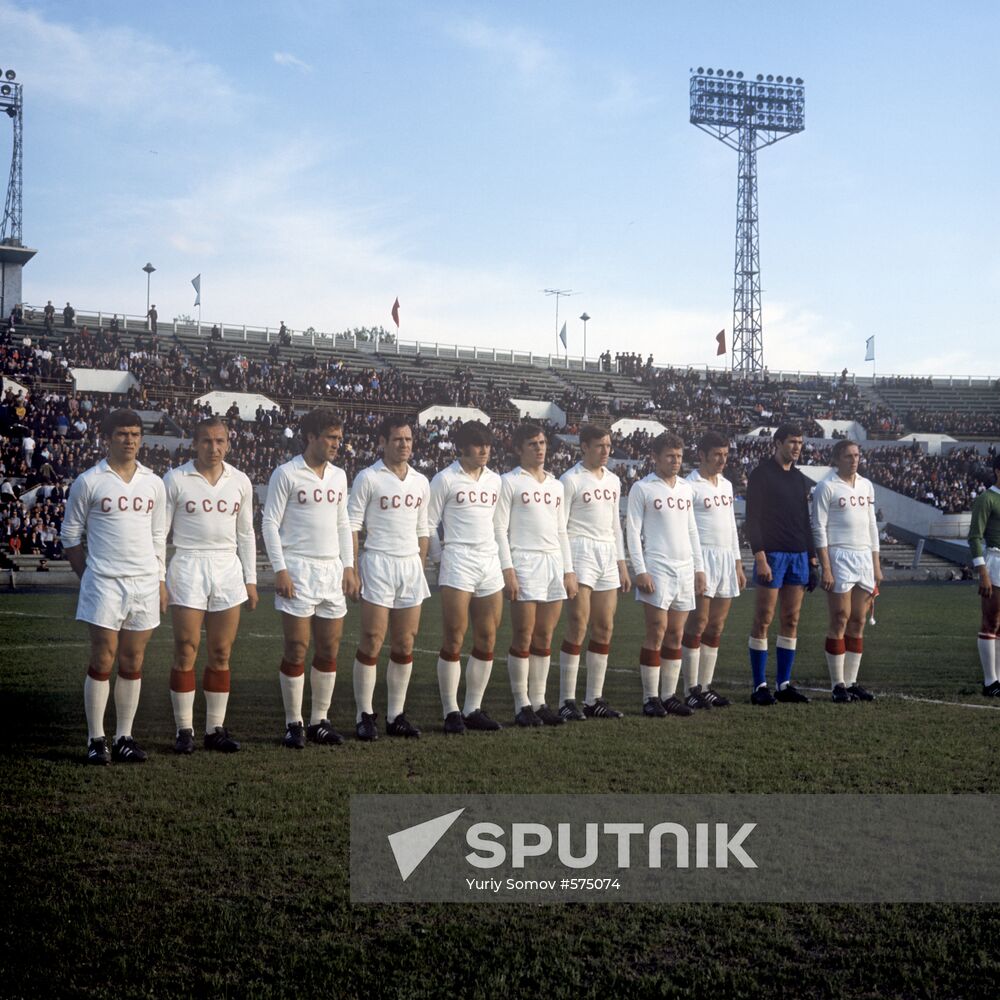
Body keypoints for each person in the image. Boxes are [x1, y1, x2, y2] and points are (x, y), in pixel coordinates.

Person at [60, 409, 167, 765]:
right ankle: (96, 739)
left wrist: (160, 578)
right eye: (122, 433)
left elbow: (158, 536)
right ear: (107, 438)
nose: (130, 440)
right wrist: (88, 575)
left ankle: (124, 736)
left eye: (135, 434)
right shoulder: (89, 481)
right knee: (103, 657)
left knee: (133, 660)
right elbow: (70, 536)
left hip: (144, 583)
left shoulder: (154, 482)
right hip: (104, 582)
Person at [261, 409, 359, 749]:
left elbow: (343, 523)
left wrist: (348, 566)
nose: (337, 444)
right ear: (311, 437)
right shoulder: (286, 474)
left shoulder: (339, 476)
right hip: (298, 569)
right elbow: (270, 523)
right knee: (297, 647)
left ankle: (320, 719)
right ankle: (294, 722)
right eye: (331, 438)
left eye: (338, 438)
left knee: (329, 647)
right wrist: (281, 569)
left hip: (331, 570)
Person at [163, 416, 258, 754]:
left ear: (229, 444)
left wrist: (251, 579)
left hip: (227, 567)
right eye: (206, 441)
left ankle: (214, 728)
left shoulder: (241, 481)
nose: (213, 448)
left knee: (221, 652)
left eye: (220, 441)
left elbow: (246, 534)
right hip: (188, 563)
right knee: (186, 648)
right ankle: (184, 729)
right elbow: (160, 534)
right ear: (194, 444)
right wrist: (160, 579)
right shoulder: (175, 479)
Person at [346, 416, 430, 740]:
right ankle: (364, 714)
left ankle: (396, 715)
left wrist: (419, 565)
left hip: (410, 566)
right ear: (383, 441)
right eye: (398, 439)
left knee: (405, 642)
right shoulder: (368, 477)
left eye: (408, 439)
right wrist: (352, 567)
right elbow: (352, 525)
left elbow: (424, 529)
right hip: (378, 562)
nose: (404, 445)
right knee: (372, 639)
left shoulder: (421, 481)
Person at [494, 423, 577, 727]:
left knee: (545, 636)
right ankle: (521, 703)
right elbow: (499, 529)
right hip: (524, 562)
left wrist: (569, 570)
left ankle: (540, 701)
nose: (540, 448)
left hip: (553, 563)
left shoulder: (556, 485)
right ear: (518, 449)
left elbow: (561, 531)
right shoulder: (509, 482)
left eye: (542, 443)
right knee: (524, 635)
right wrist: (508, 568)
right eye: (532, 444)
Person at [427, 420, 504, 734]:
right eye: (476, 444)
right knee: (455, 637)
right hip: (457, 558)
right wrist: (439, 558)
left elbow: (498, 525)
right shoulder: (445, 479)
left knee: (487, 637)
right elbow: (428, 523)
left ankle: (473, 707)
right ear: (461, 447)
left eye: (487, 444)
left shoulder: (495, 480)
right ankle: (451, 710)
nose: (483, 450)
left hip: (489, 561)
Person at [627, 433, 705, 718]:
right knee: (657, 631)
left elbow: (692, 530)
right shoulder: (642, 488)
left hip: (684, 568)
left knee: (676, 633)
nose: (676, 462)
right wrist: (640, 570)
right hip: (657, 567)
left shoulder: (686, 488)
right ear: (656, 457)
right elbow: (633, 532)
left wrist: (699, 568)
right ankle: (650, 698)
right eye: (670, 456)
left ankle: (669, 695)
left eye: (680, 456)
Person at [558, 424, 631, 720]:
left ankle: (593, 699)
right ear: (584, 447)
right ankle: (566, 700)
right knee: (578, 623)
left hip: (607, 553)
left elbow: (615, 524)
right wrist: (567, 568)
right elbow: (560, 527)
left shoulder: (614, 481)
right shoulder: (570, 480)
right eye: (600, 446)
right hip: (580, 550)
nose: (606, 451)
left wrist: (622, 564)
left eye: (609, 446)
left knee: (605, 627)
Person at [745, 424, 819, 705]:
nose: (797, 447)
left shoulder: (800, 479)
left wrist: (812, 559)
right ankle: (759, 685)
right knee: (764, 618)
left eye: (800, 442)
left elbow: (805, 520)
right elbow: (752, 519)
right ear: (777, 443)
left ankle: (784, 684)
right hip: (772, 555)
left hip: (798, 555)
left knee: (791, 619)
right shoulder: (761, 475)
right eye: (792, 442)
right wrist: (760, 556)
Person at [812, 440, 882, 702]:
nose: (854, 460)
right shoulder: (826, 486)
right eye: (848, 456)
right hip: (839, 555)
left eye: (857, 455)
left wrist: (876, 564)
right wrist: (826, 566)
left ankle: (852, 682)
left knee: (858, 621)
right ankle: (837, 684)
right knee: (840, 617)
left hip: (864, 556)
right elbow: (819, 528)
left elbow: (872, 525)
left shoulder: (866, 485)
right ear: (837, 458)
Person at [681, 431, 745, 709]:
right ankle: (689, 688)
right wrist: (696, 566)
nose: (722, 460)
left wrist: (738, 562)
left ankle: (705, 686)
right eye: (717, 455)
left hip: (725, 559)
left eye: (726, 454)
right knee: (698, 622)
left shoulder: (727, 485)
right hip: (702, 558)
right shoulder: (688, 485)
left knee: (717, 625)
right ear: (702, 455)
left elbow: (731, 526)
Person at [968, 454, 1000, 697]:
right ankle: (990, 682)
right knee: (991, 619)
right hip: (996, 561)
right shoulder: (986, 499)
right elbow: (975, 536)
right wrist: (983, 572)